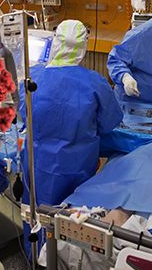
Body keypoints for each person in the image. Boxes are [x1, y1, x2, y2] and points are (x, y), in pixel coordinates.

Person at [21, 19, 124, 206]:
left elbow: (21, 115)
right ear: (83, 47)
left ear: (56, 42)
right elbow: (110, 122)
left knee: (36, 216)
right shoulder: (94, 83)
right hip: (78, 166)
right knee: (74, 220)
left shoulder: (32, 77)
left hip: (38, 166)